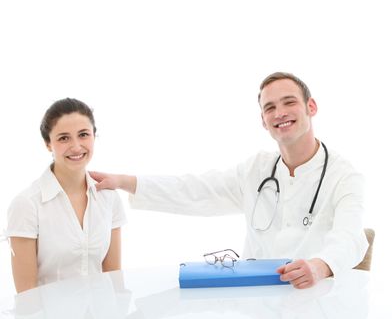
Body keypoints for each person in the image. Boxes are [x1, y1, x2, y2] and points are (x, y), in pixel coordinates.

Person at [92, 72, 367, 289]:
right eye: (270, 107)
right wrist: (124, 181)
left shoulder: (344, 175)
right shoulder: (256, 170)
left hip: (318, 299)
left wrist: (319, 266)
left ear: (311, 107)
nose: (279, 113)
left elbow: (350, 237)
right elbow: (195, 190)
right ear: (263, 120)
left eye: (289, 102)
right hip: (259, 301)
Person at [5, 98, 126, 293]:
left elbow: (114, 278)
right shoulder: (26, 204)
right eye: (63, 138)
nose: (76, 146)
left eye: (83, 135)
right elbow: (27, 295)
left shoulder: (108, 197)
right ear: (48, 144)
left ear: (94, 136)